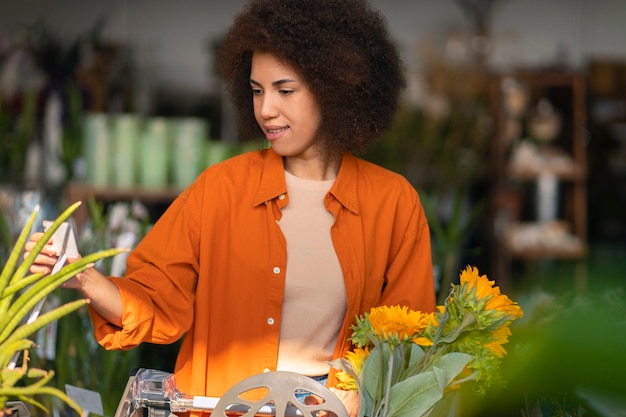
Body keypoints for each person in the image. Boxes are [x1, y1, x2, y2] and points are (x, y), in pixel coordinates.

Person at [25, 0, 436, 415]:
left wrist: (367, 392)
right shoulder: (220, 189)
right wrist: (85, 278)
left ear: (336, 88)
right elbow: (155, 302)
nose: (266, 109)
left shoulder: (394, 203)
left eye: (285, 90)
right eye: (257, 90)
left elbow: (409, 345)